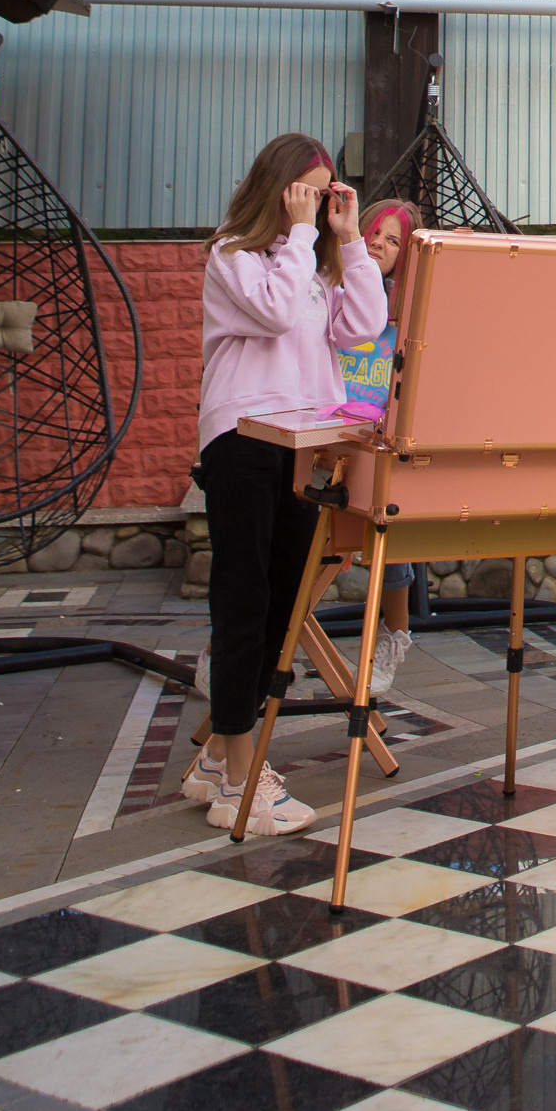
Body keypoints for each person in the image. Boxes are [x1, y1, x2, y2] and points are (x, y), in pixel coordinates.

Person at [184, 134, 385, 835]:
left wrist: (349, 240)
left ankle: (219, 756)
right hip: (242, 437)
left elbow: (365, 327)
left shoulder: (315, 270)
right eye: (309, 190)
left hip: (304, 444)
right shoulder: (232, 255)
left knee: (284, 609)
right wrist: (300, 235)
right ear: (277, 189)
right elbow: (270, 312)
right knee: (244, 601)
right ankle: (243, 776)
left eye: (327, 192)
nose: (319, 204)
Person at [343, 201, 417, 696]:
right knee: (318, 548)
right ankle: (276, 636)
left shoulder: (407, 310)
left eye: (394, 241)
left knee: (390, 547)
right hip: (329, 432)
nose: (379, 244)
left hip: (379, 439)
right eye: (376, 232)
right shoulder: (334, 286)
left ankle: (394, 637)